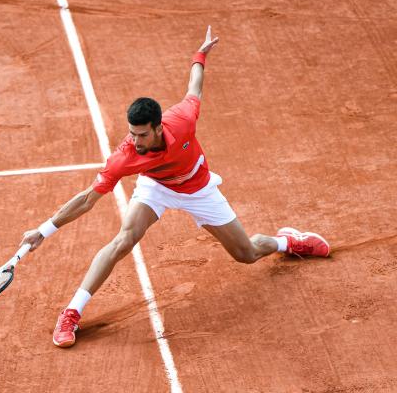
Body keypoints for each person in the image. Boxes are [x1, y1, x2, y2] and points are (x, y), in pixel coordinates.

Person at [20, 26, 330, 348]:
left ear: (157, 127)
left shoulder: (182, 119)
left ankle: (286, 242)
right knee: (124, 240)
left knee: (246, 254)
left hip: (199, 190)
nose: (134, 141)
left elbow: (194, 88)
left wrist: (200, 55)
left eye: (141, 134)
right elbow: (87, 200)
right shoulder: (124, 157)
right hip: (157, 186)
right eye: (131, 133)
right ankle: (72, 312)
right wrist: (44, 230)